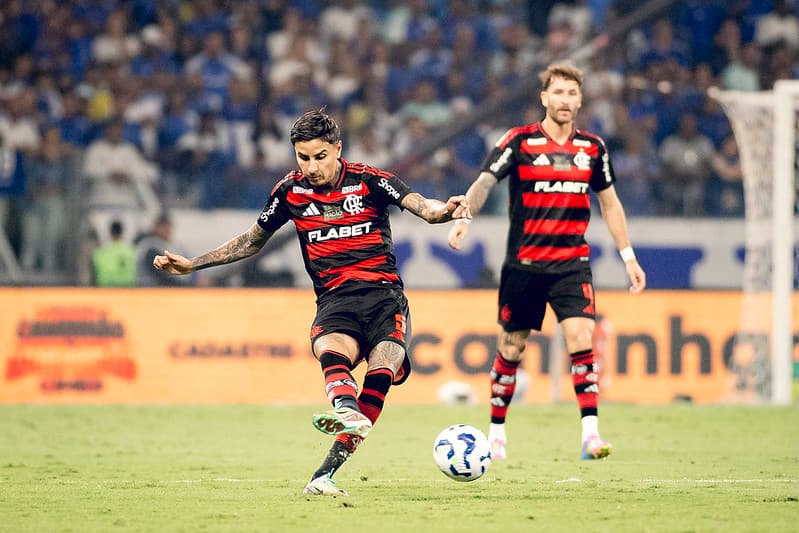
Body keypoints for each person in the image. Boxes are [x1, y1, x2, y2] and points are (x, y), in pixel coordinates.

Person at [153, 109, 470, 495]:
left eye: (320, 156)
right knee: (329, 349)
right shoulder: (290, 192)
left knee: (382, 370)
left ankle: (325, 472)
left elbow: (423, 207)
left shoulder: (370, 181)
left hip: (384, 299)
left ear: (338, 149)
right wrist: (193, 264)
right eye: (303, 157)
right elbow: (252, 240)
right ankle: (345, 414)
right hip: (335, 300)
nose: (312, 167)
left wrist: (445, 210)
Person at [447, 63, 646, 461]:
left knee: (581, 337)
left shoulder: (593, 149)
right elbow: (485, 180)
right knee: (512, 346)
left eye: (572, 93)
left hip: (572, 262)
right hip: (524, 264)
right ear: (544, 98)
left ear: (580, 100)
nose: (565, 100)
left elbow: (610, 203)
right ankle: (497, 433)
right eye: (558, 92)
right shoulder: (519, 141)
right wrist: (464, 215)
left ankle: (591, 435)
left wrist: (628, 256)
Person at [92, 219, 136, 287]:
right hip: (128, 289)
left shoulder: (101, 253)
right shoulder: (132, 252)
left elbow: (96, 275)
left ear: (110, 233)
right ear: (122, 233)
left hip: (107, 290)